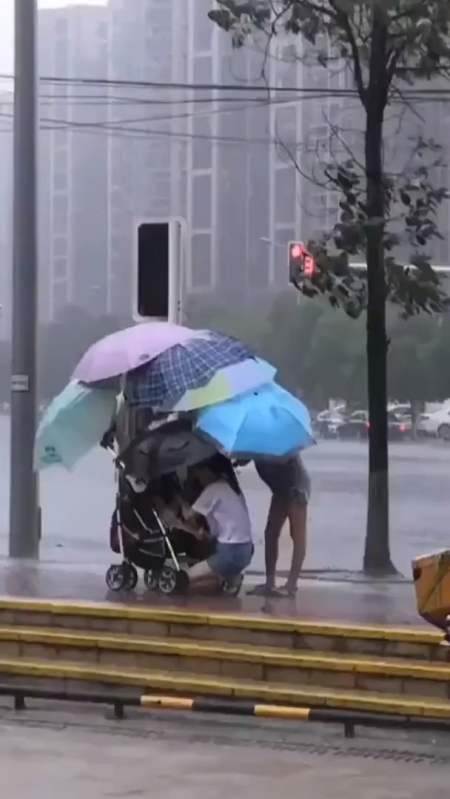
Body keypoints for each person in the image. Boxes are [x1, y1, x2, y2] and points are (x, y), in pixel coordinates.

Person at [178, 455, 253, 593]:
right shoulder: (233, 487)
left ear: (207, 471)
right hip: (246, 551)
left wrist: (181, 501)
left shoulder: (213, 489)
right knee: (216, 559)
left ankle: (219, 580)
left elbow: (188, 515)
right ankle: (231, 577)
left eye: (197, 474)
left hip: (229, 552)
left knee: (185, 579)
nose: (197, 478)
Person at [249, 454, 310, 598]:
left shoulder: (281, 451)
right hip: (280, 490)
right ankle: (270, 582)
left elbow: (291, 471)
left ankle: (291, 585)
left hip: (296, 487)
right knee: (270, 533)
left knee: (297, 535)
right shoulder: (256, 451)